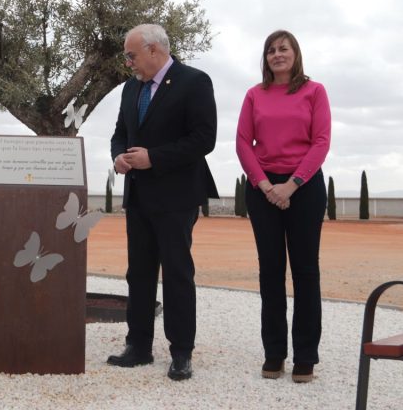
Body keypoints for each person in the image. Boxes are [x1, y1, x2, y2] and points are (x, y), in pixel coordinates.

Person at [109, 24, 218, 381]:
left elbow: (204, 139)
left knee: (176, 274)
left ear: (154, 50)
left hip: (176, 196)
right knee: (138, 273)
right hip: (139, 196)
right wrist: (118, 157)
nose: (128, 63)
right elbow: (120, 134)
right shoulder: (130, 88)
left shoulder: (194, 82)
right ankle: (138, 346)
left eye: (132, 55)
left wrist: (153, 158)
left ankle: (181, 352)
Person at [236, 30, 331, 383]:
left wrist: (292, 185)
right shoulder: (254, 95)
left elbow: (321, 141)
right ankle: (274, 354)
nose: (277, 54)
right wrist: (265, 186)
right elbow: (243, 142)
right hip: (263, 189)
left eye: (283, 49)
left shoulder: (314, 91)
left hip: (304, 187)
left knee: (305, 271)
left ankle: (305, 356)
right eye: (271, 50)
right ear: (266, 58)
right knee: (271, 272)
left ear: (295, 54)